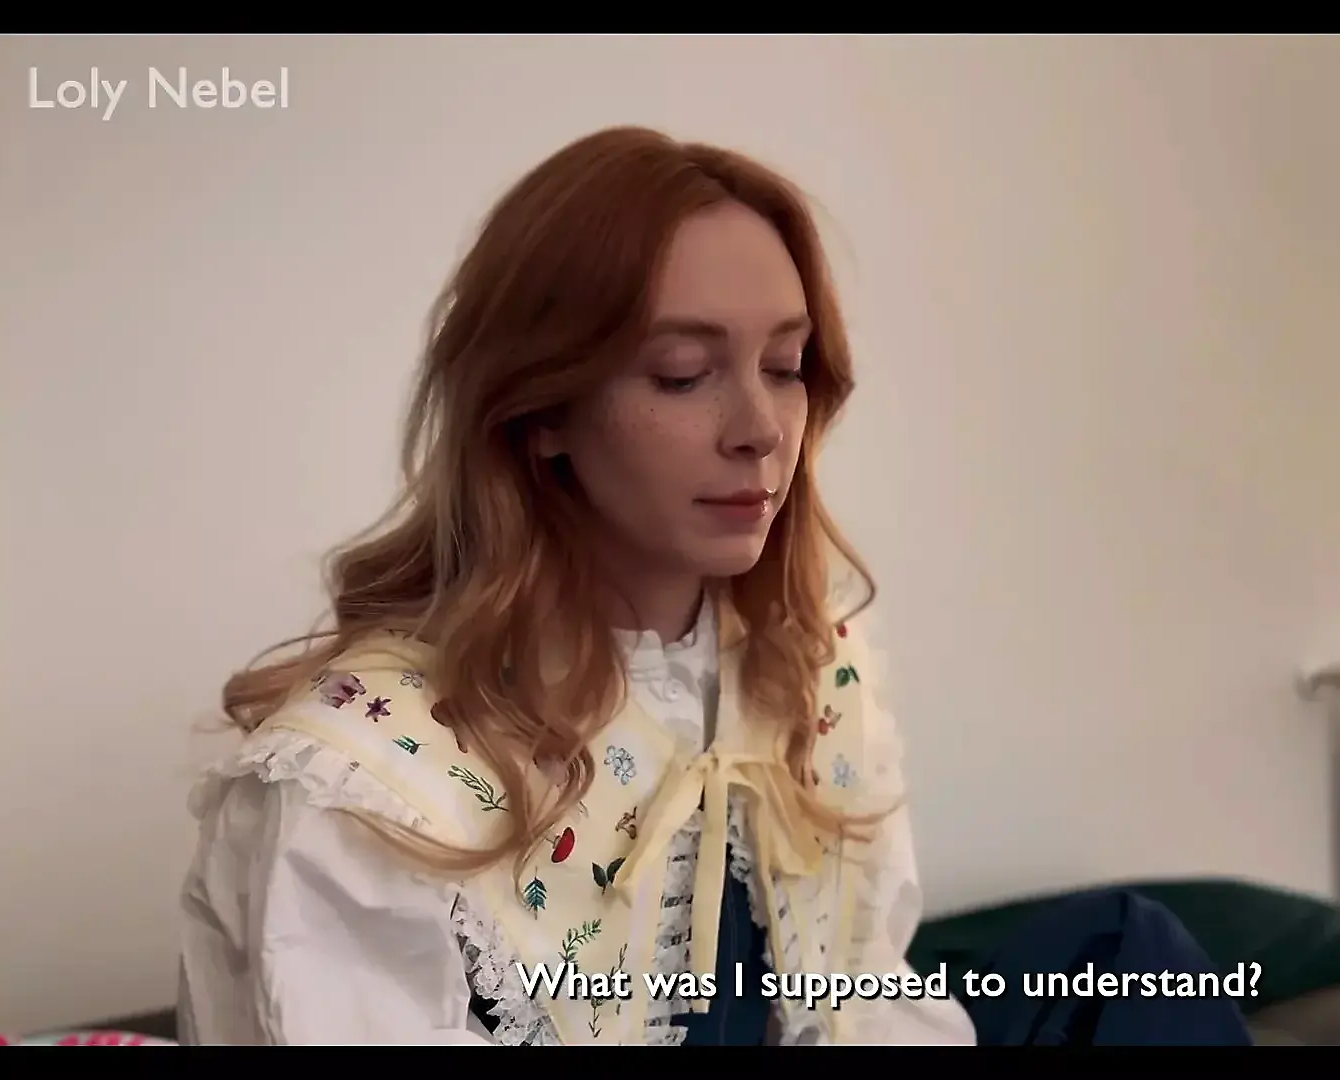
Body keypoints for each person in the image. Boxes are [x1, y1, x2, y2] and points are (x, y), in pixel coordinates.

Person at [175, 126, 977, 1046]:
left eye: (785, 367)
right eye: (682, 375)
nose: (761, 428)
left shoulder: (808, 668)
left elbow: (869, 993)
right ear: (541, 409)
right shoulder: (362, 783)